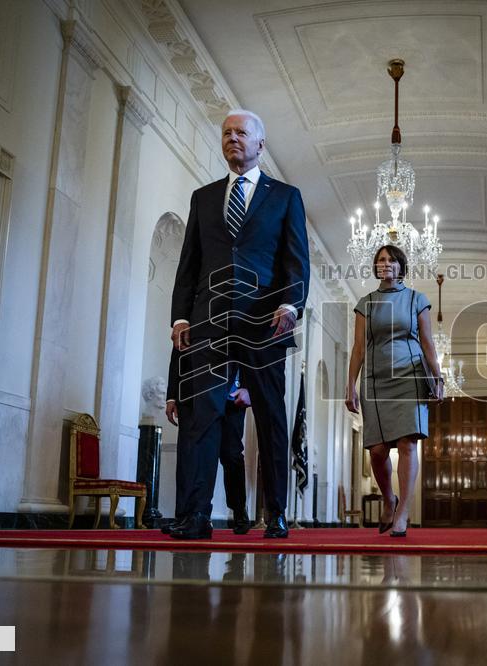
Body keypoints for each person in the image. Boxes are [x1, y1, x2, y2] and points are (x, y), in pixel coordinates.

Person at [169, 109, 310, 539]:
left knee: (269, 417)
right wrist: (179, 316)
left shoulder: (285, 196)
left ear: (260, 144)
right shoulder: (203, 197)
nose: (233, 138)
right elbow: (188, 264)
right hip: (208, 324)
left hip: (264, 323)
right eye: (227, 133)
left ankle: (278, 512)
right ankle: (195, 516)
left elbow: (296, 261)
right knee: (203, 418)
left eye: (242, 133)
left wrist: (291, 306)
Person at [345, 245, 443, 537]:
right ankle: (390, 499)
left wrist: (437, 378)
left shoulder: (416, 299)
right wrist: (350, 383)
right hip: (375, 381)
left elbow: (427, 342)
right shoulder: (366, 303)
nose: (385, 264)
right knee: (376, 450)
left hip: (409, 375)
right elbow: (359, 348)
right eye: (380, 260)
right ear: (376, 267)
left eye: (391, 260)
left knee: (407, 444)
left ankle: (403, 513)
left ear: (401, 266)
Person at [164, 350, 251, 536]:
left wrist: (248, 387)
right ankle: (184, 516)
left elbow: (249, 351)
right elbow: (178, 353)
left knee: (231, 453)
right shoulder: (186, 321)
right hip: (195, 393)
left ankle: (239, 511)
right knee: (189, 453)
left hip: (231, 395)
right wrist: (172, 395)